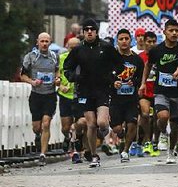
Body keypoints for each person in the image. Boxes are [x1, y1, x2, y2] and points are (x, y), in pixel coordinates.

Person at [63, 19, 119, 168]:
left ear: (96, 31)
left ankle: (104, 131)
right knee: (91, 124)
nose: (89, 31)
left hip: (102, 90)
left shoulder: (106, 47)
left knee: (101, 122)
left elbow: (118, 64)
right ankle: (94, 155)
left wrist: (112, 78)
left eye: (92, 29)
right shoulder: (78, 50)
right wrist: (75, 78)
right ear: (83, 32)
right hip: (85, 91)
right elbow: (67, 68)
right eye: (86, 29)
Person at [139, 18, 178, 164]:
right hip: (161, 91)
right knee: (163, 116)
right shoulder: (157, 50)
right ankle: (162, 133)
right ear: (164, 32)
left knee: (175, 124)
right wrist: (143, 83)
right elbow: (148, 65)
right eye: (171, 30)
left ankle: (171, 151)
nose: (174, 33)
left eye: (176, 31)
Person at [20, 32, 60, 166]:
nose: (44, 44)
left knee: (46, 123)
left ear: (50, 42)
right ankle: (38, 135)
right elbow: (22, 75)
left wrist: (58, 79)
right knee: (37, 127)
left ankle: (43, 154)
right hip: (36, 95)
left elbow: (57, 70)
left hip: (50, 95)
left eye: (46, 41)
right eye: (42, 41)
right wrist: (32, 82)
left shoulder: (54, 56)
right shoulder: (31, 57)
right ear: (37, 42)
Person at [110, 29, 144, 162]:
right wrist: (113, 82)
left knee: (132, 124)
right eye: (121, 39)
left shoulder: (137, 60)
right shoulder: (111, 58)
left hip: (131, 98)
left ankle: (125, 150)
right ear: (117, 41)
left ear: (131, 40)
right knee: (116, 127)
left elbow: (141, 77)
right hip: (115, 98)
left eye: (126, 39)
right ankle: (121, 134)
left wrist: (134, 81)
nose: (124, 41)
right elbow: (105, 74)